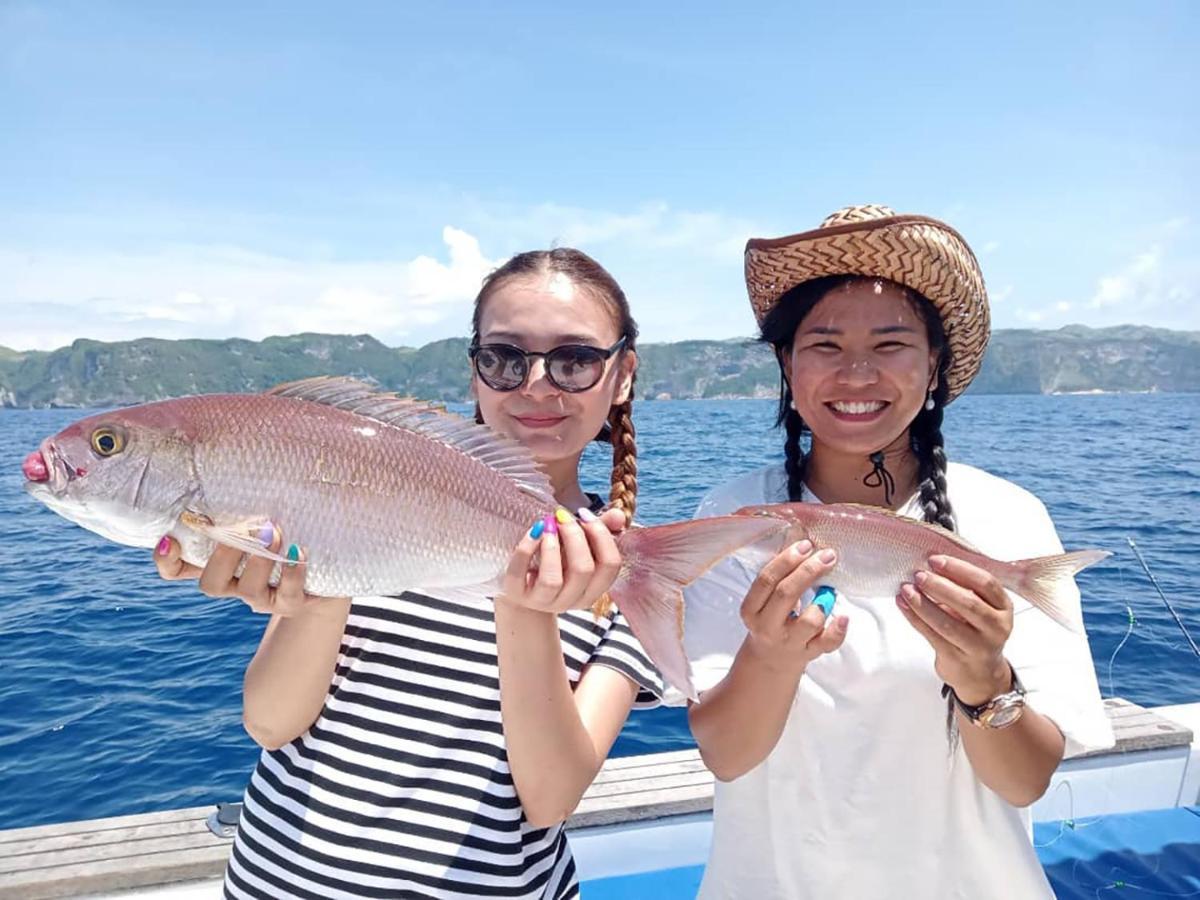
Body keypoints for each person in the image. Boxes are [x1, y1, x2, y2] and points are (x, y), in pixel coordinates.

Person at [154, 248, 662, 899]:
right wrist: (315, 581)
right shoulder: (368, 497)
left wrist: (523, 601)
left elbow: (550, 799)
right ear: (476, 372)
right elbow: (271, 723)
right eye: (505, 358)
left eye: (575, 360)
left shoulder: (622, 574)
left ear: (622, 376)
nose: (537, 384)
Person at [679, 205, 1114, 899]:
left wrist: (983, 678)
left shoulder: (1010, 517)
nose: (856, 374)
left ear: (934, 365)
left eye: (890, 345)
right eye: (823, 345)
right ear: (786, 364)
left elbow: (1025, 780)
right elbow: (727, 756)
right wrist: (769, 655)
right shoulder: (732, 519)